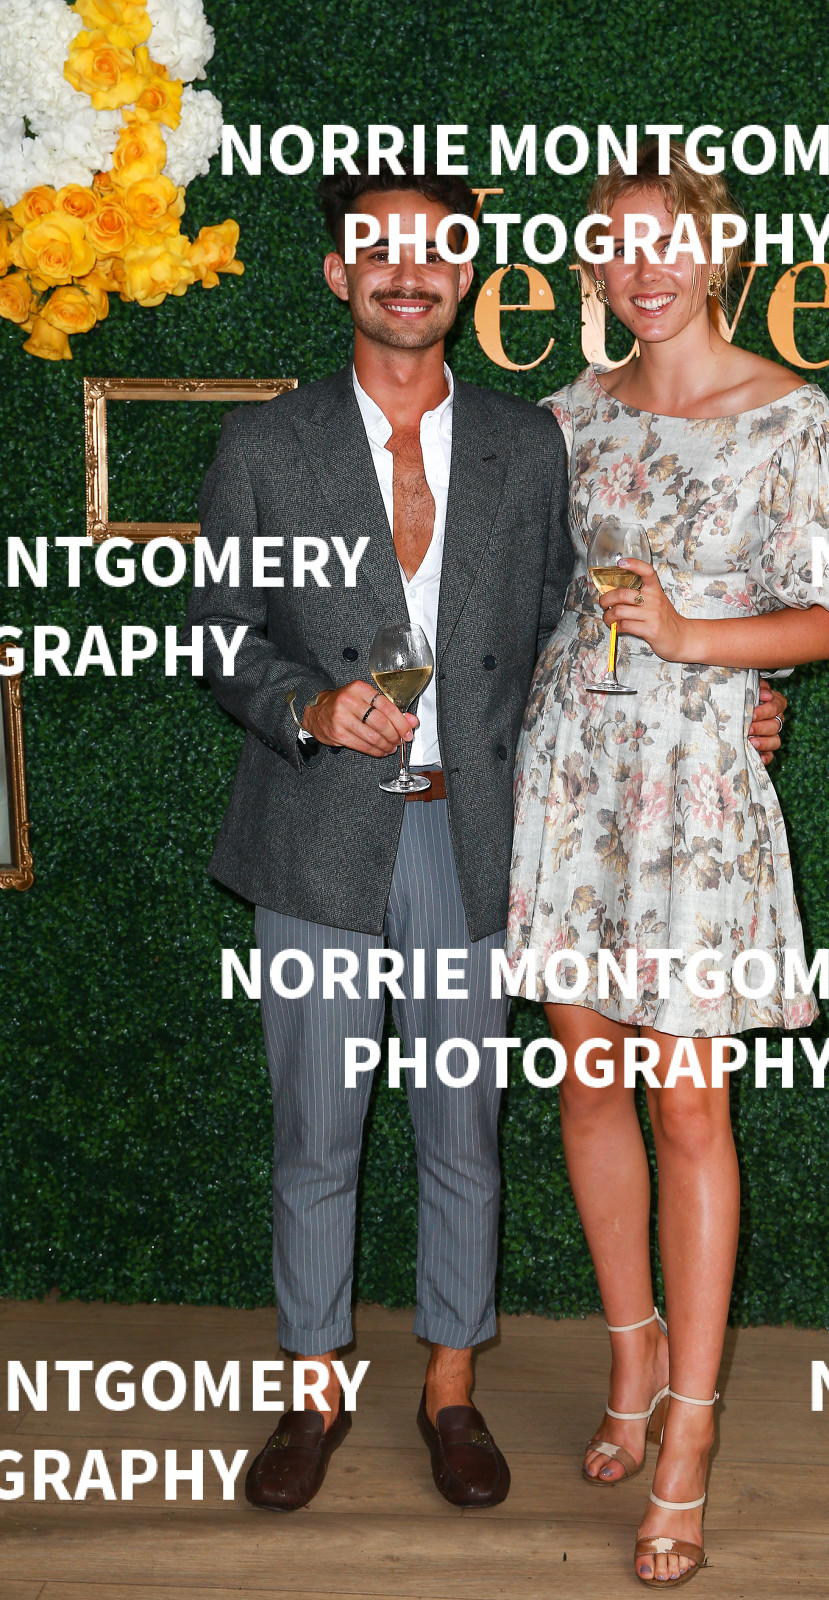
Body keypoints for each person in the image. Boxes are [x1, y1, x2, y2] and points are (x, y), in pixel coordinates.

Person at [187, 164, 785, 1517]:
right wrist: (306, 706)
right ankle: (314, 1388)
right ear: (339, 273)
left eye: (436, 249)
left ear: (465, 274)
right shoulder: (265, 444)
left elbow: (591, 624)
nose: (409, 271)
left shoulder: (532, 444)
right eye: (378, 249)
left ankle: (450, 1390)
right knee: (316, 1131)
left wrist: (736, 694)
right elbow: (220, 636)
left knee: (463, 1129)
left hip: (480, 842)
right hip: (314, 842)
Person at [505, 141, 829, 1585]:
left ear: (715, 250)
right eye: (618, 244)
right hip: (571, 779)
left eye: (667, 238)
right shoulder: (566, 417)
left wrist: (705, 646)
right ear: (594, 266)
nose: (644, 268)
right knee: (588, 1081)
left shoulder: (787, 420)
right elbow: (528, 597)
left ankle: (688, 1429)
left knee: (687, 1103)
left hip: (693, 796)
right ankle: (628, 1365)